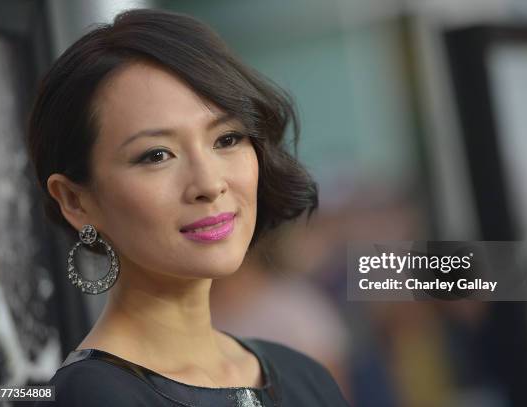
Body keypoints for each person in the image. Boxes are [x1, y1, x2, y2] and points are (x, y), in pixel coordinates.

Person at [28, 8, 349, 406]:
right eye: (157, 155)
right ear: (75, 201)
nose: (209, 184)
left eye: (227, 139)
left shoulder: (304, 375)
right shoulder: (92, 396)